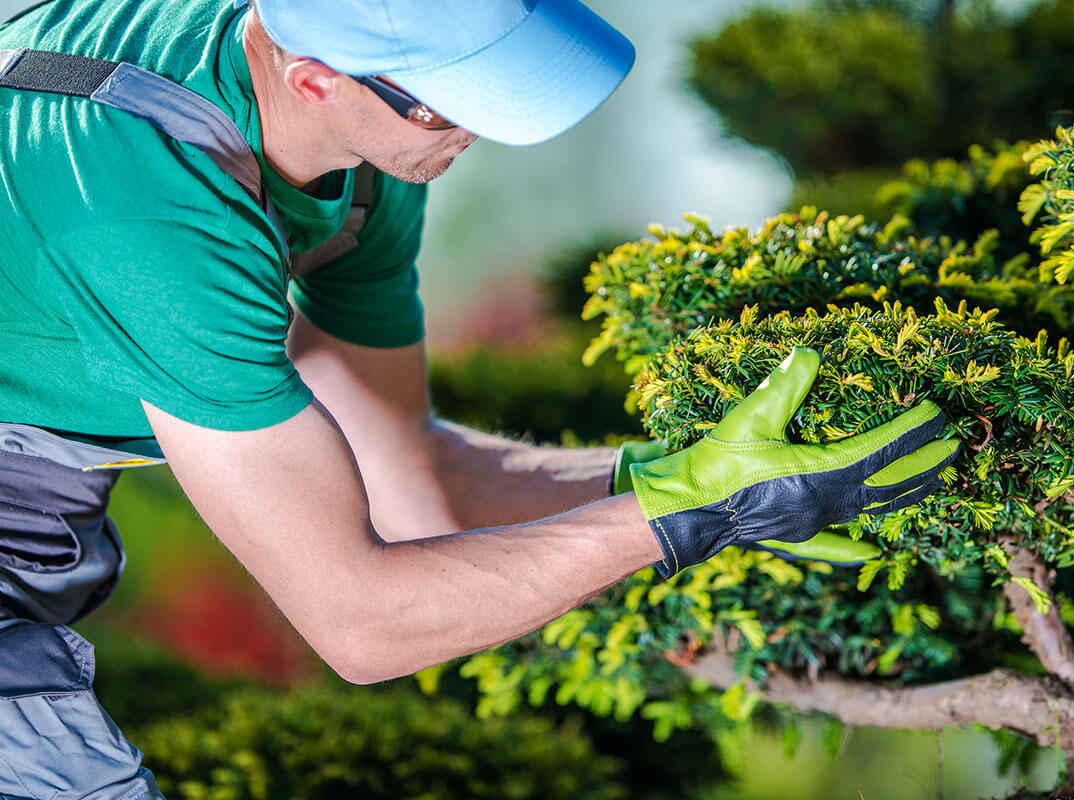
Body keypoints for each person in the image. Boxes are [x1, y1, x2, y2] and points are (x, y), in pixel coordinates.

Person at [0, 0, 960, 796]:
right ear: (313, 78)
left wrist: (665, 480)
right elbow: (361, 624)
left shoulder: (369, 158)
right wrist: (683, 518)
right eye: (448, 105)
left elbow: (410, 479)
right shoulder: (146, 208)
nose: (472, 135)